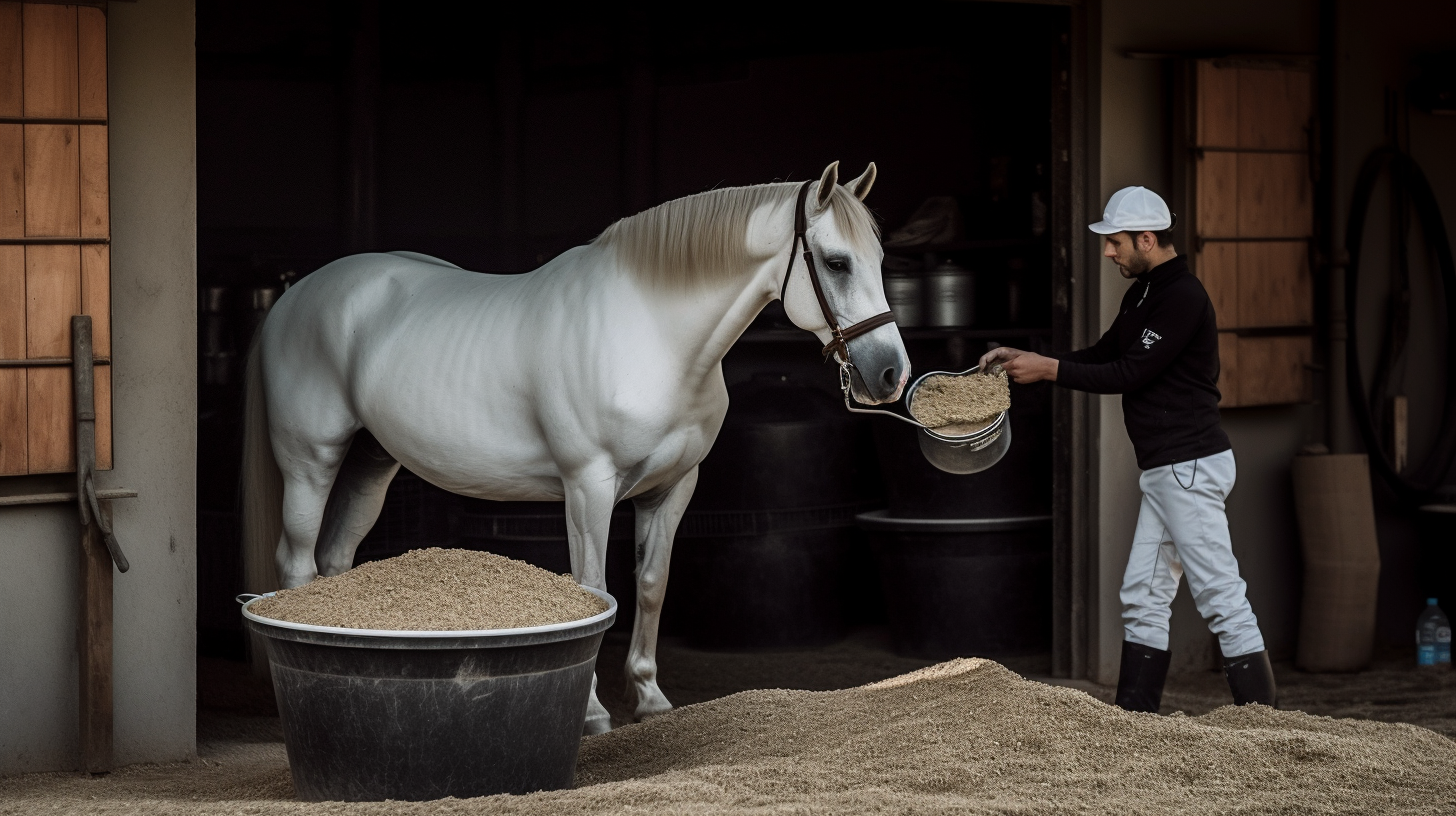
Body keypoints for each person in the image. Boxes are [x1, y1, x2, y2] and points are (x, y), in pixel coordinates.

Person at [978, 186, 1276, 713]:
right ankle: (1135, 724)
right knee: (1143, 595)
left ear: (1147, 238)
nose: (1109, 252)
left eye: (1115, 242)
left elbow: (1130, 372)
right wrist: (1035, 357)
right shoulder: (1141, 294)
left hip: (1189, 465)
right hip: (1167, 470)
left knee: (1221, 597)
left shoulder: (1182, 296)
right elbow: (1104, 353)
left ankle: (1269, 728)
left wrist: (1047, 370)